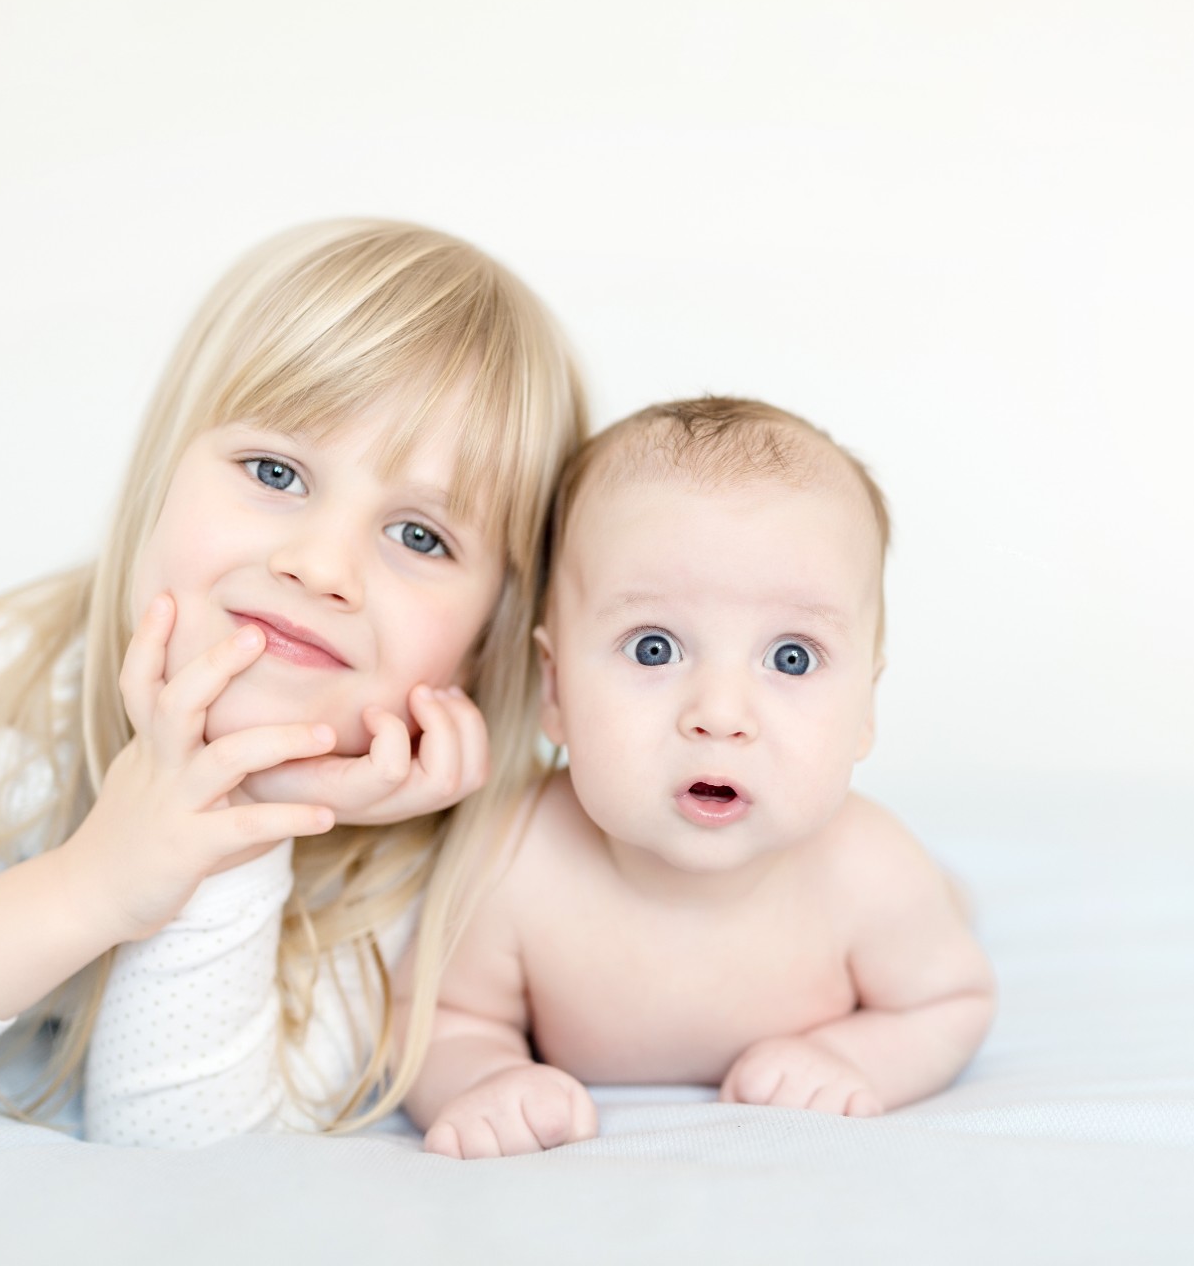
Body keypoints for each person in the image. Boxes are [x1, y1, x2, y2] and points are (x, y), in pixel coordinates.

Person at [0, 219, 586, 1145]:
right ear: (163, 478)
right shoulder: (7, 696)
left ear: (486, 644)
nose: (322, 565)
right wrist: (90, 885)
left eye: (419, 537)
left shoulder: (423, 863)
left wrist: (243, 815)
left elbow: (179, 1160)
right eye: (275, 471)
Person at [403, 396, 996, 1159]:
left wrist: (853, 1060)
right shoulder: (515, 861)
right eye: (653, 648)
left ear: (864, 712)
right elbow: (441, 1017)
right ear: (554, 691)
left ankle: (956, 893)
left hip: (908, 905)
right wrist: (480, 1078)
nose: (719, 715)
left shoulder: (868, 872)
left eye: (792, 657)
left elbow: (952, 1001)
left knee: (942, 907)